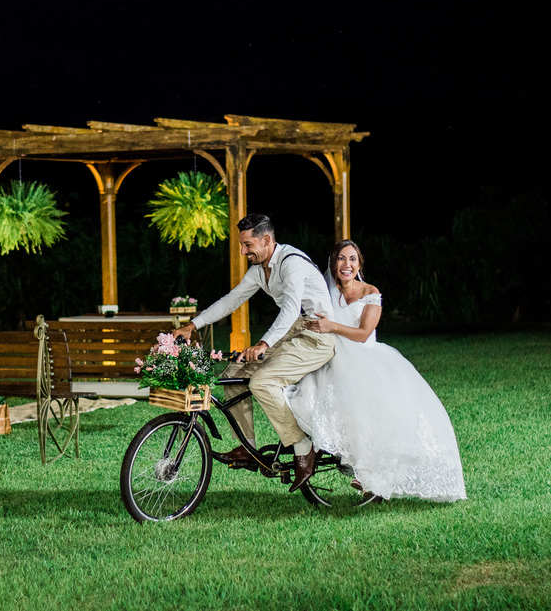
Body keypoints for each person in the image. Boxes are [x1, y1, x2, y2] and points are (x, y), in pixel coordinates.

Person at [287, 239, 467, 504]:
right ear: (333, 263)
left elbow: (363, 334)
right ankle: (321, 455)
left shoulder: (370, 292)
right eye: (341, 258)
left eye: (352, 259)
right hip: (332, 357)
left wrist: (332, 327)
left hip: (365, 358)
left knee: (368, 407)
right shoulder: (325, 293)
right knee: (313, 401)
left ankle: (369, 473)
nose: (346, 264)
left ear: (359, 264)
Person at [173, 213, 338, 492]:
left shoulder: (292, 263)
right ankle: (247, 449)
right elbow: (231, 301)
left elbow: (290, 309)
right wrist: (192, 325)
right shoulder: (259, 270)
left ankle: (303, 448)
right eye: (241, 244)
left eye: (247, 244)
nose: (243, 251)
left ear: (267, 240)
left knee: (262, 382)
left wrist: (263, 344)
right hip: (291, 333)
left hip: (316, 336)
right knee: (233, 374)